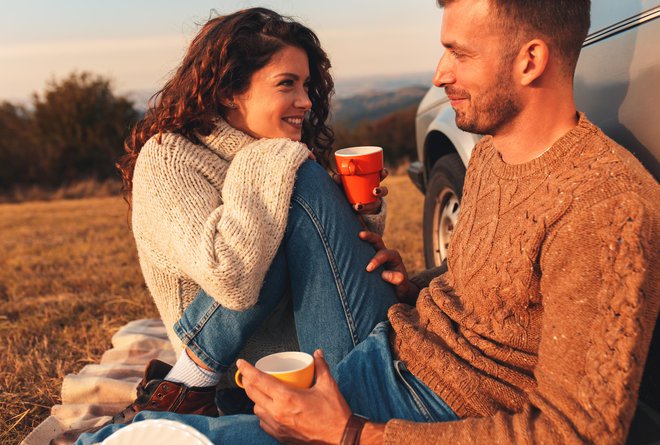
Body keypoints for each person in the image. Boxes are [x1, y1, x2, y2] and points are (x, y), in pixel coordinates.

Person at [74, 0, 659, 444]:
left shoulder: (606, 204)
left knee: (157, 440)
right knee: (148, 433)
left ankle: (190, 389)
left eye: (460, 53)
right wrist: (417, 283)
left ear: (531, 60)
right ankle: (189, 391)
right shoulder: (494, 155)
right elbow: (503, 297)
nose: (438, 74)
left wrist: (353, 433)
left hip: (411, 405)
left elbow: (576, 432)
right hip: (391, 350)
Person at [52, 7, 396, 445]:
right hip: (247, 375)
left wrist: (358, 217)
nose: (307, 101)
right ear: (231, 91)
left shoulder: (269, 153)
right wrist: (272, 159)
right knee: (292, 190)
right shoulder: (171, 159)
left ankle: (178, 400)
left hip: (310, 348)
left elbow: (321, 266)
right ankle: (186, 386)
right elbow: (231, 276)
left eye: (306, 85)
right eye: (287, 83)